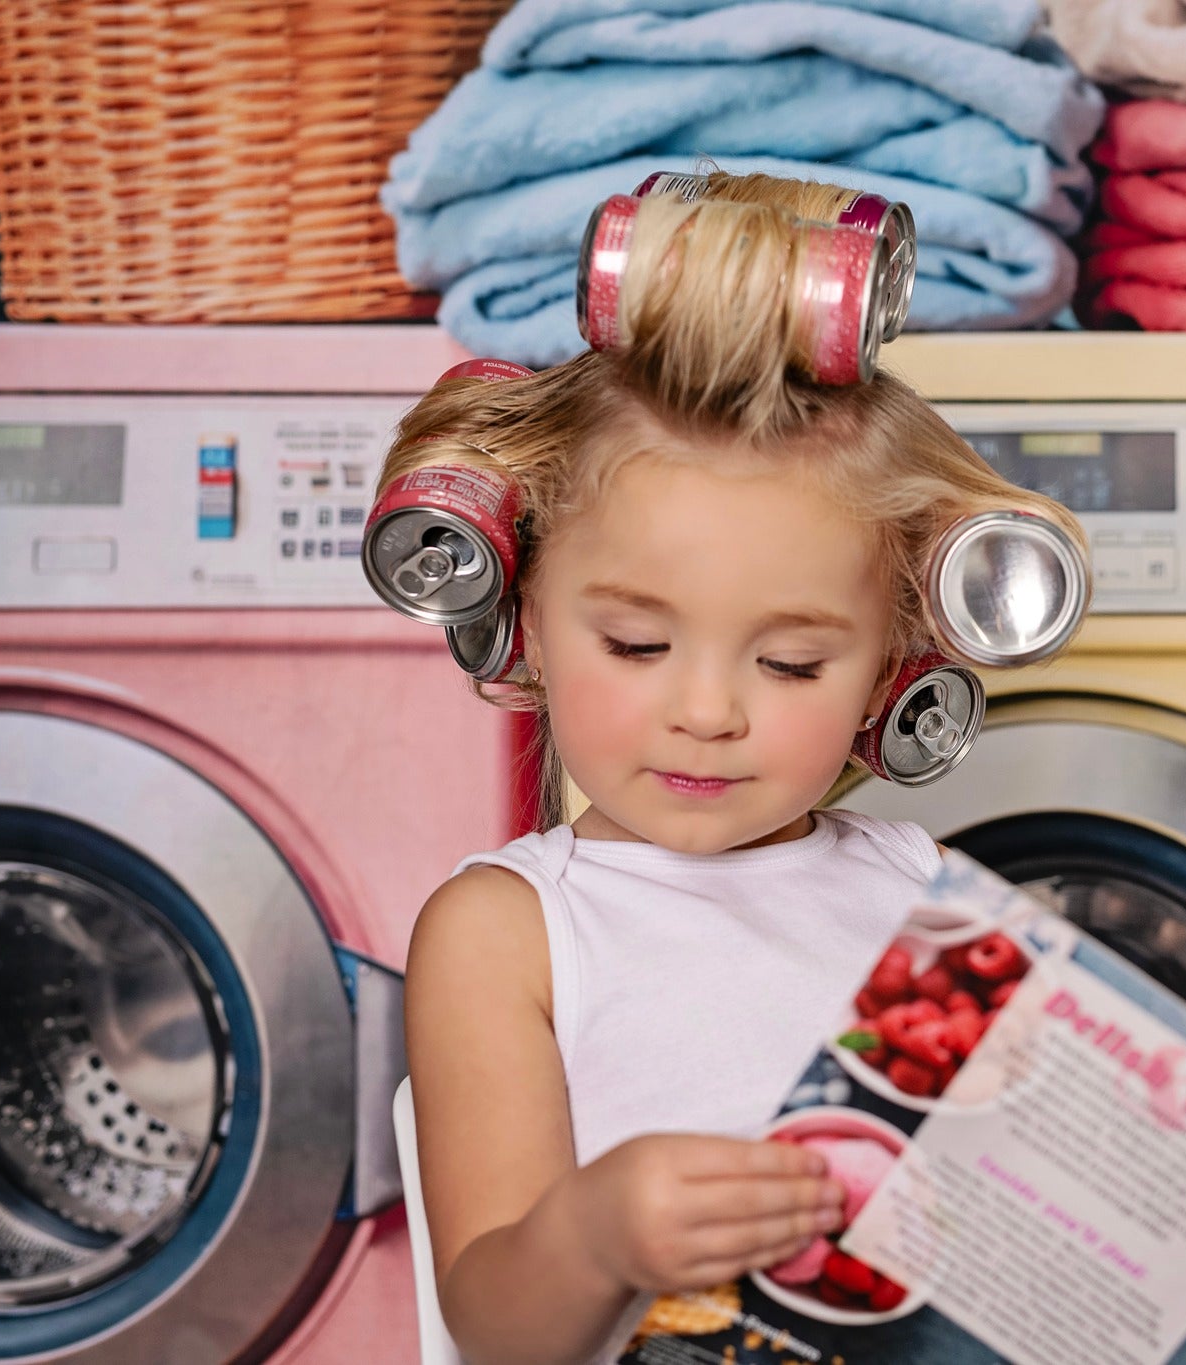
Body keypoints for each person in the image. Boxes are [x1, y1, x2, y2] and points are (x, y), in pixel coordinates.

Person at [392, 189, 1086, 1365]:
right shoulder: (507, 931)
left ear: (886, 669)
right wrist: (598, 1234)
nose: (708, 713)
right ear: (533, 623)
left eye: (790, 663)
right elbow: (497, 1332)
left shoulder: (925, 895)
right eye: (636, 645)